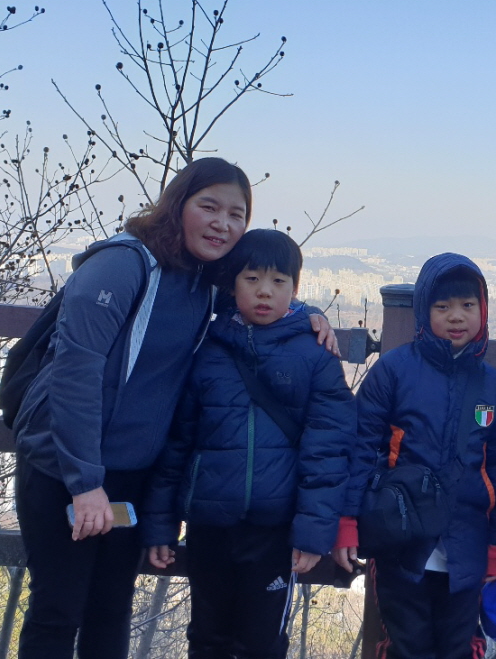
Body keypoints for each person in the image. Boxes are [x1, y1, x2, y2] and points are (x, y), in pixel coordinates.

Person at [11, 158, 335, 658]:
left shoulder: (201, 279)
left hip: (130, 471)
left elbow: (257, 301)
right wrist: (85, 483)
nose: (222, 223)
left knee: (110, 608)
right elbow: (75, 374)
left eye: (236, 214)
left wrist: (307, 315)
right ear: (177, 204)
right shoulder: (121, 266)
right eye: (209, 207)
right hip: (63, 467)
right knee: (57, 611)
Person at [141, 228, 356, 658]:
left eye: (278, 281)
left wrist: (313, 533)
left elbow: (328, 452)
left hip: (275, 529)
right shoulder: (207, 350)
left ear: (295, 288)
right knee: (207, 637)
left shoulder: (316, 357)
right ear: (232, 284)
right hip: (209, 524)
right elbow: (178, 443)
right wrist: (161, 523)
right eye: (252, 278)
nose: (264, 291)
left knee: (262, 642)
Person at [334, 253, 496, 659]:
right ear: (423, 311)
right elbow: (360, 449)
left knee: (459, 647)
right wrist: (347, 522)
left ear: (483, 309)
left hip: (468, 543)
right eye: (443, 306)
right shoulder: (394, 371)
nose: (457, 316)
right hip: (400, 540)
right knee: (405, 646)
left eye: (467, 305)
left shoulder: (494, 388)